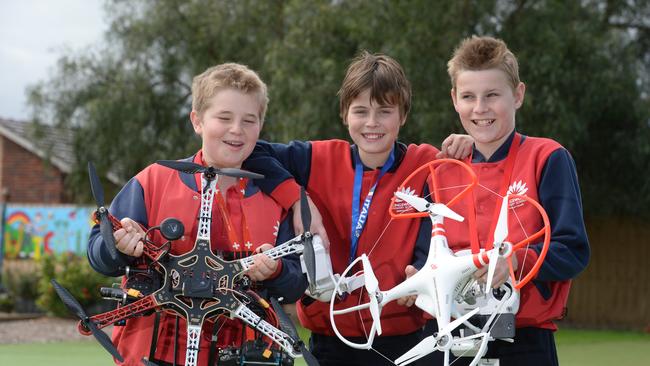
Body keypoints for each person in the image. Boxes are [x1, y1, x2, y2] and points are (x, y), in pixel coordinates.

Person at [242, 51, 473, 366]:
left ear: (403, 115)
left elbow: (448, 226)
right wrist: (298, 199)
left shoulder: (427, 164)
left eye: (385, 111)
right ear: (344, 114)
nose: (372, 123)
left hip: (405, 342)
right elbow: (248, 151)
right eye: (360, 111)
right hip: (330, 342)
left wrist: (469, 145)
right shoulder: (316, 159)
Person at [87, 63, 306, 366]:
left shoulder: (274, 200)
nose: (236, 129)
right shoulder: (154, 182)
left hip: (243, 354)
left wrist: (276, 271)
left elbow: (296, 283)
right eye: (224, 117)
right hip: (150, 352)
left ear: (260, 126)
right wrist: (120, 247)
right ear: (197, 121)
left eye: (249, 120)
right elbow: (98, 252)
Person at [438, 35, 590, 365]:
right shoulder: (444, 169)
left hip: (525, 341)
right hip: (456, 339)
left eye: (492, 95)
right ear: (454, 99)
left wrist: (517, 260)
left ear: (517, 95)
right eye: (468, 96)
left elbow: (574, 251)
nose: (479, 108)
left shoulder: (548, 157)